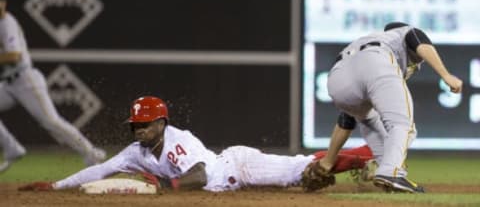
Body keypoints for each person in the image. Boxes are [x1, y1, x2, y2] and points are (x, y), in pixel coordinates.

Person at [18, 96, 374, 192]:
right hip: (230, 180)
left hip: (237, 166)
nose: (139, 130)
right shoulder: (137, 151)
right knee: (301, 172)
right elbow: (102, 169)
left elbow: (200, 177)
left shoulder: (177, 140)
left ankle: (372, 156)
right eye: (135, 125)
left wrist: (164, 188)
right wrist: (57, 185)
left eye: (145, 124)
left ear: (161, 122)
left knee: (304, 172)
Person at [314, 22, 463, 193]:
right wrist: (446, 75)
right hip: (376, 59)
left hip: (336, 79)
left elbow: (346, 120)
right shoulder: (402, 32)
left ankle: (383, 169)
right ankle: (391, 173)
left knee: (369, 119)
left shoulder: (365, 40)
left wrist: (328, 160)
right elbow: (418, 39)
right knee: (403, 125)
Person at [0, 0, 106, 173]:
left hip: (25, 80)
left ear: (4, 2)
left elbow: (14, 55)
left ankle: (90, 152)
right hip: (8, 84)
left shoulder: (6, 22)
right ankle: (12, 149)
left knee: (51, 122)